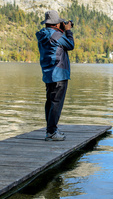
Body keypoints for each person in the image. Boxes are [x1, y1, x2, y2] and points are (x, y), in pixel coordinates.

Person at [36, 10, 74, 141]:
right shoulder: (57, 35)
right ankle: (52, 132)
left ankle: (51, 130)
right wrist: (68, 31)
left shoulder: (43, 35)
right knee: (56, 103)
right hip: (59, 73)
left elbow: (55, 45)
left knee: (50, 103)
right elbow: (70, 45)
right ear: (56, 24)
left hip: (48, 73)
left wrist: (62, 31)